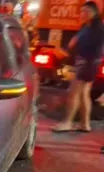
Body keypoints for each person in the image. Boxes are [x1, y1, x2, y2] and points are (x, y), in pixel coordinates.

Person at [52, 1, 104, 133]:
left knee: (74, 92)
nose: (83, 13)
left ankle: (68, 122)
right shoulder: (86, 27)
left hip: (88, 63)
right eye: (82, 11)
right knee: (83, 93)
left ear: (95, 12)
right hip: (86, 62)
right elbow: (74, 43)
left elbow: (96, 47)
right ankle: (85, 124)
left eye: (87, 11)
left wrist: (85, 59)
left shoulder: (98, 28)